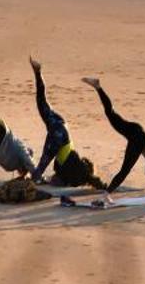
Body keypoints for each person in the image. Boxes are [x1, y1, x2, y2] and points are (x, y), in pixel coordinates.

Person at [28, 59, 101, 189]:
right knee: (41, 168)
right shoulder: (70, 175)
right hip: (58, 135)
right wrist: (41, 179)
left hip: (63, 127)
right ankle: (38, 72)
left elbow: (55, 176)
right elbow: (55, 178)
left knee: (42, 103)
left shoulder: (73, 164)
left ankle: (38, 72)